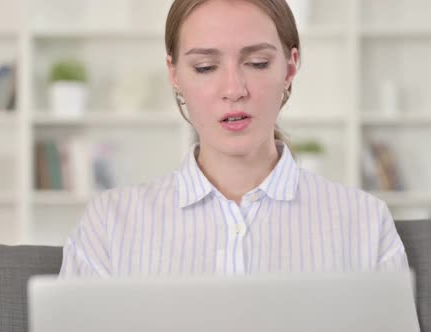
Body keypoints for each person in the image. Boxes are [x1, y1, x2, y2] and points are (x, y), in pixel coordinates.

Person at [59, 0, 409, 278]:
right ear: (174, 74)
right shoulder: (110, 224)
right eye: (205, 67)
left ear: (289, 68)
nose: (233, 90)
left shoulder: (364, 222)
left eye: (257, 63)